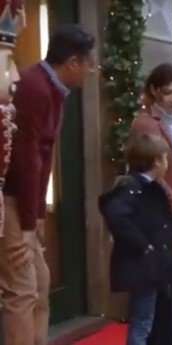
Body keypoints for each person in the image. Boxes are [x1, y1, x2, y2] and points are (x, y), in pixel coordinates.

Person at [0, 24, 94, 345]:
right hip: (10, 199)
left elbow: (43, 156)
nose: (89, 70)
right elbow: (24, 161)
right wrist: (28, 221)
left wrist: (38, 214)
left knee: (40, 282)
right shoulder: (35, 89)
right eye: (88, 63)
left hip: (24, 203)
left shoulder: (54, 91)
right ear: (72, 62)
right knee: (22, 288)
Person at [129, 63, 172, 345]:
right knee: (163, 300)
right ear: (154, 92)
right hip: (161, 222)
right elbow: (152, 174)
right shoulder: (146, 124)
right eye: (167, 92)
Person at [99, 134, 172, 345]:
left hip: (153, 265)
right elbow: (117, 215)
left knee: (148, 317)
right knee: (143, 320)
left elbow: (159, 223)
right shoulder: (134, 188)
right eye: (165, 158)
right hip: (143, 266)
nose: (167, 164)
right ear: (156, 161)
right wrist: (144, 245)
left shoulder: (150, 188)